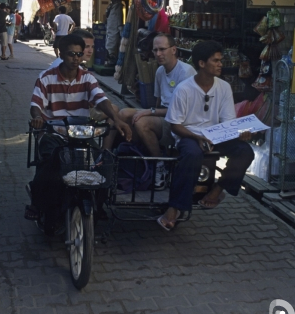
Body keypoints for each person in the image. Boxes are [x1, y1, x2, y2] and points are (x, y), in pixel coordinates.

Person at [25, 34, 132, 222]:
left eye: (79, 54)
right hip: (54, 132)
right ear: (60, 53)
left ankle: (97, 205)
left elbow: (101, 99)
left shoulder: (87, 78)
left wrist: (117, 119)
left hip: (80, 133)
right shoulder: (46, 78)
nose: (75, 58)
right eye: (70, 54)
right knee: (49, 163)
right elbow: (36, 104)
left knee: (101, 164)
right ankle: (37, 202)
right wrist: (37, 118)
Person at [158, 40, 255, 231]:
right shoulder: (184, 89)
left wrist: (239, 132)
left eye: (220, 60)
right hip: (189, 136)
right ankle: (175, 207)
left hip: (216, 135)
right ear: (202, 64)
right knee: (192, 154)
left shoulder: (224, 87)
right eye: (216, 60)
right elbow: (175, 124)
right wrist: (197, 137)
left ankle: (217, 190)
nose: (220, 64)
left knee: (245, 152)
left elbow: (227, 120)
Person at [116, 34, 195, 189]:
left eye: (162, 49)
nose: (158, 54)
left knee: (142, 122)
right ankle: (130, 156)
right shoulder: (159, 71)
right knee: (123, 113)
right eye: (155, 50)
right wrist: (150, 111)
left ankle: (160, 164)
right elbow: (158, 101)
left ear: (173, 50)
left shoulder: (185, 72)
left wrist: (150, 112)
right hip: (163, 115)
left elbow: (181, 111)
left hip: (179, 121)